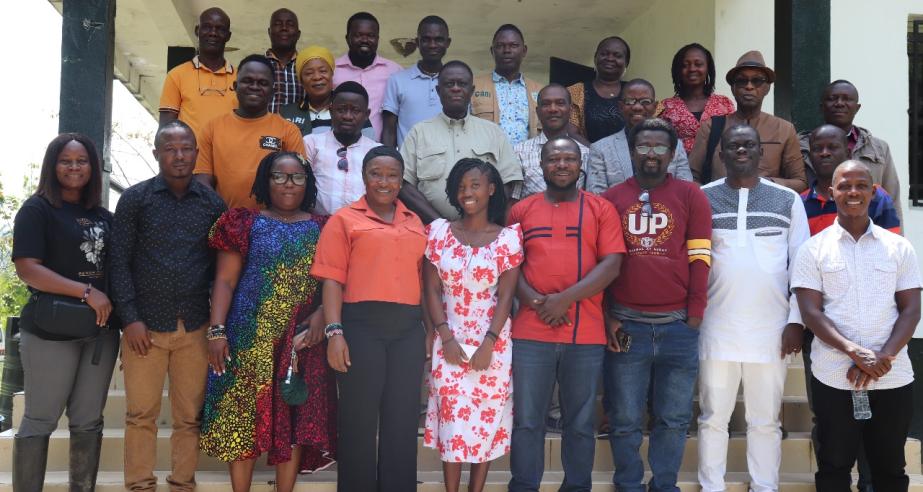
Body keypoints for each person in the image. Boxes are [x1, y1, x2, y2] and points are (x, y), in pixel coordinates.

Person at [200, 152, 336, 491]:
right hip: (249, 335)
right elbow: (225, 281)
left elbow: (335, 281)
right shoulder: (243, 221)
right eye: (280, 176)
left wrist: (322, 315)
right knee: (241, 416)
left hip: (302, 339)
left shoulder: (325, 227)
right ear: (266, 180)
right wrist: (217, 330)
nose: (289, 184)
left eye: (297, 177)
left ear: (308, 183)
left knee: (292, 417)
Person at [109, 121, 226, 492]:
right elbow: (118, 263)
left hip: (193, 326)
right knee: (140, 415)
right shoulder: (136, 199)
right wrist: (129, 319)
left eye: (186, 148)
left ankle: (181, 485)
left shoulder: (212, 204)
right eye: (170, 148)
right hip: (145, 327)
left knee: (188, 418)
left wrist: (215, 326)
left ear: (196, 152)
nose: (179, 155)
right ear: (157, 152)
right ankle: (140, 485)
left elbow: (219, 268)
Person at [792, 160, 921, 492]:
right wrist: (854, 351)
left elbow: (910, 311)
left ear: (873, 191)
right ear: (832, 191)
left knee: (890, 469)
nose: (853, 192)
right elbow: (811, 312)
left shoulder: (899, 248)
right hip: (834, 375)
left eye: (861, 185)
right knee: (834, 466)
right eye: (845, 185)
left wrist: (883, 357)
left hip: (892, 377)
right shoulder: (813, 249)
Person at [507, 137, 625, 491]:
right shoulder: (521, 210)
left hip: (585, 332)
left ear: (580, 165)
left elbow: (612, 265)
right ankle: (524, 486)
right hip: (531, 331)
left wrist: (564, 300)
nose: (561, 164)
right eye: (553, 158)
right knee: (527, 421)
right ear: (540, 166)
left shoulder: (600, 209)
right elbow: (509, 266)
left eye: (568, 158)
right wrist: (537, 303)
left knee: (580, 422)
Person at [601, 118, 712, 492]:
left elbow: (700, 256)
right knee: (626, 418)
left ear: (673, 153)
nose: (651, 154)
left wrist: (695, 316)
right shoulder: (612, 199)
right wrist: (606, 315)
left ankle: (664, 484)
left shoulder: (691, 195)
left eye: (659, 147)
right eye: (643, 147)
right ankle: (629, 484)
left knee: (674, 417)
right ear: (632, 152)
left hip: (678, 327)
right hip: (626, 326)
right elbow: (601, 263)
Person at [697, 124, 810, 492]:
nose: (741, 150)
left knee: (765, 420)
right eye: (733, 145)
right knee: (714, 417)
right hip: (716, 327)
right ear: (721, 153)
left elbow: (802, 265)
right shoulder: (703, 198)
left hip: (771, 330)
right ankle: (711, 486)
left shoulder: (787, 200)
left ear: (761, 151)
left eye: (749, 144)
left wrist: (796, 321)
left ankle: (765, 486)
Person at [312, 146, 427, 492]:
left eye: (392, 175)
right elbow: (333, 279)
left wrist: (430, 332)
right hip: (360, 326)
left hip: (408, 330)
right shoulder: (344, 220)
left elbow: (424, 279)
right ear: (364, 177)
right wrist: (335, 332)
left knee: (402, 420)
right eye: (376, 173)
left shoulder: (414, 221)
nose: (384, 181)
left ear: (401, 180)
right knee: (359, 420)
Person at [11, 133, 117, 492]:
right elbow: (27, 269)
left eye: (82, 161)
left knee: (88, 421)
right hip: (49, 331)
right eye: (66, 161)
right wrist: (86, 292)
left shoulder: (103, 216)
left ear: (93, 168)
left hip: (98, 333)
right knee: (40, 419)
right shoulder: (37, 209)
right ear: (52, 166)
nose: (74, 167)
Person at [422, 158, 522, 492]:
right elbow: (431, 289)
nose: (468, 192)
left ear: (491, 190)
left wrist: (489, 343)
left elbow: (506, 297)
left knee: (485, 422)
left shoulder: (507, 238)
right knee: (452, 422)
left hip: (491, 343)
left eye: (475, 185)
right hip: (448, 337)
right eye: (462, 186)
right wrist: (445, 337)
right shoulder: (438, 232)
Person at [400, 61, 523, 223]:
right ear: (438, 91)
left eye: (462, 84)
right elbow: (404, 184)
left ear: (471, 90)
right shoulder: (418, 133)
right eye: (449, 84)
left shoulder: (493, 132)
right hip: (431, 232)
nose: (456, 88)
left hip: (483, 232)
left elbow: (508, 182)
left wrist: (485, 220)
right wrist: (439, 225)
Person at [193, 54, 305, 209]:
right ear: (235, 86)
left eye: (262, 83)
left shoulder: (289, 131)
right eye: (248, 81)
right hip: (224, 222)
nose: (254, 86)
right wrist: (224, 217)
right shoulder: (212, 127)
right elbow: (202, 179)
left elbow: (298, 182)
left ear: (273, 92)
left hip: (272, 225)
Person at [689, 50, 806, 192]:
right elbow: (691, 177)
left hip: (766, 207)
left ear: (767, 88)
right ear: (733, 88)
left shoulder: (784, 129)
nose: (749, 86)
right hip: (720, 209)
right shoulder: (711, 127)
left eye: (757, 81)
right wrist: (712, 199)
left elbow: (800, 181)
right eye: (741, 81)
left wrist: (766, 184)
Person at [798, 80, 902, 218]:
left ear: (857, 108)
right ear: (822, 107)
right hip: (815, 226)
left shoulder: (879, 148)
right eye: (832, 99)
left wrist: (896, 238)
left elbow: (892, 197)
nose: (839, 103)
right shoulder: (801, 146)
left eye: (847, 99)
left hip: (868, 230)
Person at [586, 78, 692, 193]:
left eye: (645, 102)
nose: (637, 107)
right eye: (630, 101)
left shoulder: (676, 146)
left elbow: (686, 193)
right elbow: (595, 199)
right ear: (621, 107)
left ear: (655, 106)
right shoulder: (600, 149)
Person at [802, 124, 900, 236]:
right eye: (817, 148)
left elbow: (893, 246)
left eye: (832, 147)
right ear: (810, 156)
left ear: (848, 154)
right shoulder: (800, 203)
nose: (825, 153)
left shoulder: (876, 196)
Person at [303, 81, 381, 215]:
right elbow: (301, 187)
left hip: (363, 227)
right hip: (320, 225)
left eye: (355, 110)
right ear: (331, 110)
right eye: (341, 109)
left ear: (367, 114)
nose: (347, 116)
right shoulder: (311, 143)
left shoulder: (377, 152)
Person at [159, 7, 236, 142]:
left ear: (228, 36)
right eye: (207, 27)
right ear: (197, 31)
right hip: (192, 162)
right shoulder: (176, 75)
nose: (213, 33)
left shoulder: (242, 78)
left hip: (230, 160)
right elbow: (166, 130)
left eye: (220, 29)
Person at [381, 15, 451, 148]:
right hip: (410, 166)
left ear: (448, 43)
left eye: (439, 40)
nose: (432, 45)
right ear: (417, 42)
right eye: (426, 39)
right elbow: (389, 132)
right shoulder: (397, 80)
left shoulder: (455, 83)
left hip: (450, 165)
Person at [333, 12, 402, 141]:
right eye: (358, 35)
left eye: (371, 36)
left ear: (377, 39)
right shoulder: (333, 70)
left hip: (379, 150)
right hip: (339, 148)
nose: (365, 40)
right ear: (347, 38)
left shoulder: (394, 71)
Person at [280, 45, 375, 139]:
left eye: (323, 71)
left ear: (332, 74)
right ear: (301, 80)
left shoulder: (352, 109)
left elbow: (370, 147)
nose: (317, 77)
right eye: (309, 73)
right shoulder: (287, 113)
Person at [471, 24, 544, 146]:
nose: (507, 50)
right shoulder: (473, 86)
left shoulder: (540, 90)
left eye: (514, 45)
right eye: (500, 46)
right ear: (492, 51)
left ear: (524, 51)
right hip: (487, 161)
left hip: (528, 162)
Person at [514, 83, 589, 199]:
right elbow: (514, 200)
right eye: (546, 104)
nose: (553, 109)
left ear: (570, 110)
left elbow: (591, 199)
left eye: (560, 103)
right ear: (538, 111)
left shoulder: (586, 153)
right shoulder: (519, 152)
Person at [657, 43, 735, 153]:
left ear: (708, 68)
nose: (692, 69)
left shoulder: (724, 103)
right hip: (679, 168)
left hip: (718, 167)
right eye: (685, 65)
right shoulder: (665, 106)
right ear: (678, 70)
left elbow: (734, 137)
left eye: (698, 64)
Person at [568, 36, 630, 143]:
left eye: (617, 55)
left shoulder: (635, 91)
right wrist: (598, 154)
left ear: (626, 63)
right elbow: (572, 133)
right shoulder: (575, 92)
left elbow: (649, 128)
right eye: (604, 54)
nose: (610, 58)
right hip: (589, 156)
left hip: (630, 158)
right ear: (595, 58)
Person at [265, 8, 302, 113]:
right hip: (262, 129)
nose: (284, 28)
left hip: (299, 128)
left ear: (298, 34)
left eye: (290, 24)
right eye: (277, 24)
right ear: (269, 32)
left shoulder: (307, 68)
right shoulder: (258, 66)